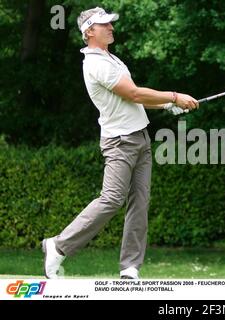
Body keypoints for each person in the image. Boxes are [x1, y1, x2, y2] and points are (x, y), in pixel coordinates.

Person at [42, 7, 199, 279]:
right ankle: (58, 245)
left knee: (140, 202)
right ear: (89, 31)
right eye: (104, 25)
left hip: (140, 136)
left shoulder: (112, 59)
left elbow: (133, 100)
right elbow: (134, 93)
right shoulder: (95, 64)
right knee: (112, 199)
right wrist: (174, 96)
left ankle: (129, 267)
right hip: (119, 142)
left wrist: (166, 105)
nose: (111, 28)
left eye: (111, 24)